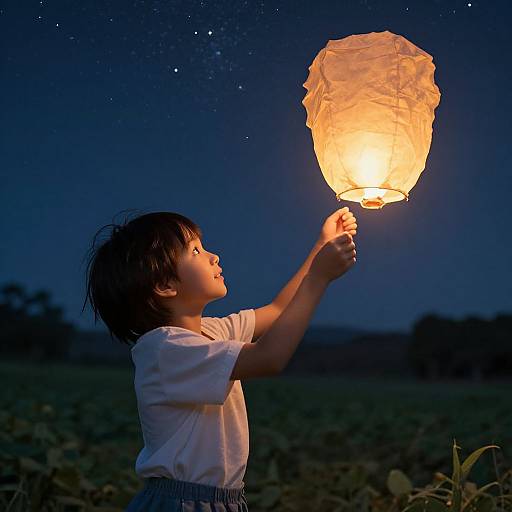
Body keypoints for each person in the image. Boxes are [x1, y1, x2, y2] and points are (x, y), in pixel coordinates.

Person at [83, 207, 357, 512]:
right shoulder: (165, 350)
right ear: (165, 286)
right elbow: (270, 358)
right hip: (181, 503)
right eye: (196, 251)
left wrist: (320, 247)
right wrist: (318, 277)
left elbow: (280, 310)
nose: (213, 256)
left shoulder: (211, 332)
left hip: (221, 500)